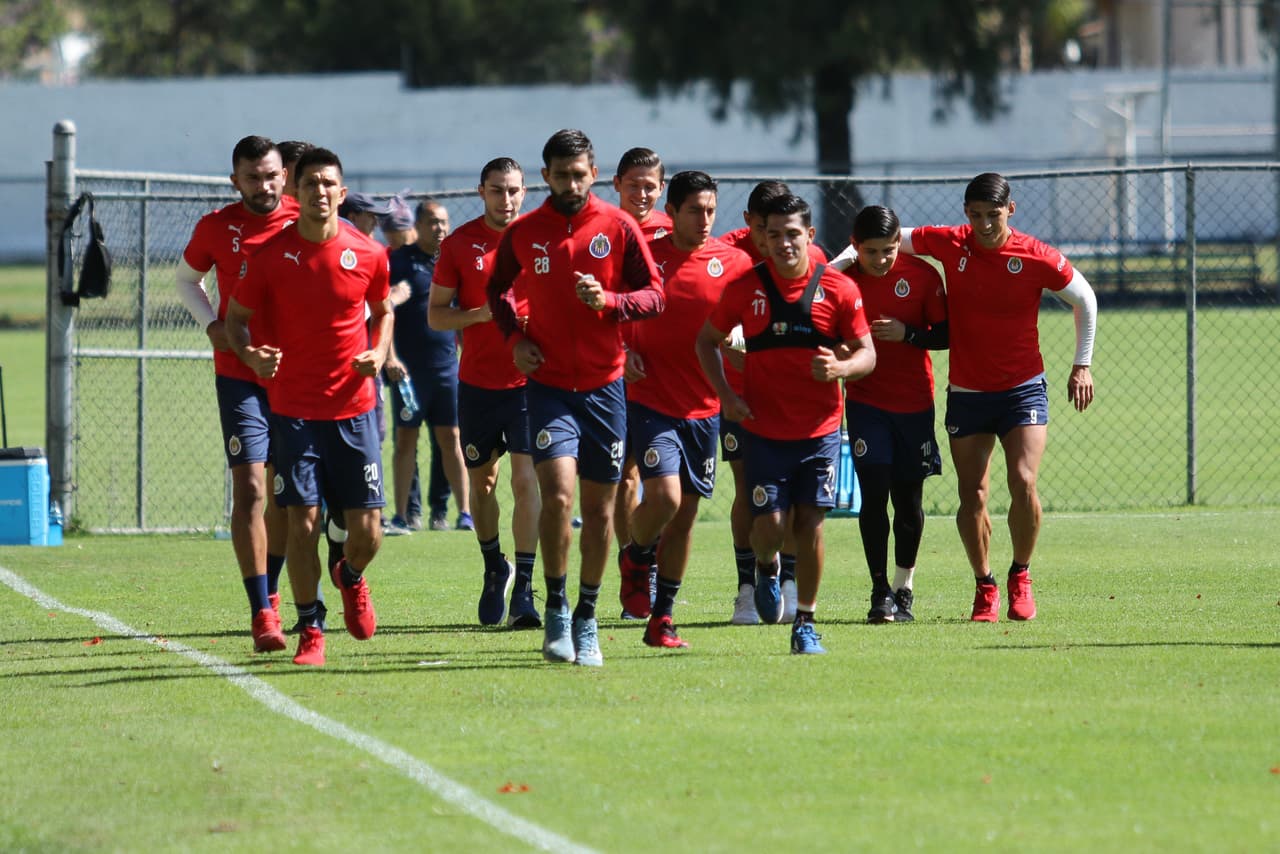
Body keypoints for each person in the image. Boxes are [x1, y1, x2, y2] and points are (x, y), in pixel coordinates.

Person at [486, 128, 664, 666]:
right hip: (548, 390)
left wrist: (609, 301)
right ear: (545, 175)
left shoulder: (618, 226)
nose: (570, 184)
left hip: (606, 391)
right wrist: (515, 340)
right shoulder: (525, 232)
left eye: (579, 175)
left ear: (594, 173)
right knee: (558, 498)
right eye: (560, 175)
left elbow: (655, 296)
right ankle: (557, 608)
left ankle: (587, 615)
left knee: (600, 509)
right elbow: (497, 290)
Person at [902, 172, 1096, 622]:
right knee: (972, 494)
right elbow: (890, 238)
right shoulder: (951, 242)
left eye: (993, 215)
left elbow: (1085, 299)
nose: (985, 225)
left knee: (1024, 481)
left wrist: (1081, 364)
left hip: (1022, 389)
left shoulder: (1034, 254)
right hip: (968, 392)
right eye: (975, 215)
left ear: (1011, 209)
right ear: (965, 213)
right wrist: (832, 267)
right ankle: (984, 585)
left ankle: (1020, 575)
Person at [226, 146, 392, 667]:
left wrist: (379, 352)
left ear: (341, 193)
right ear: (296, 193)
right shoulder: (270, 255)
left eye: (328, 183)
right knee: (302, 523)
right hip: (294, 411)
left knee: (369, 534)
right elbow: (236, 319)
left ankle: (350, 575)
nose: (319, 191)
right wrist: (250, 354)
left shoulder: (369, 253)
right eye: (310, 183)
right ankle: (311, 629)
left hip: (355, 410)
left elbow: (384, 311)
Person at [696, 193, 875, 654]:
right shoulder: (745, 287)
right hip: (763, 431)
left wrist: (841, 368)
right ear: (763, 237)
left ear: (810, 235)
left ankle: (806, 623)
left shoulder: (838, 289)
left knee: (811, 523)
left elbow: (867, 353)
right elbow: (707, 341)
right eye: (773, 234)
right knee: (771, 526)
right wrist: (727, 395)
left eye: (792, 234)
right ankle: (766, 567)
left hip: (819, 431)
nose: (783, 243)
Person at [617, 170, 753, 648]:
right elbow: (611, 312)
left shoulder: (733, 263)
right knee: (666, 498)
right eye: (694, 210)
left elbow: (747, 322)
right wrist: (622, 352)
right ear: (671, 212)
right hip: (651, 399)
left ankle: (663, 618)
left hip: (705, 407)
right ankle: (635, 555)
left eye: (711, 210)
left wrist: (743, 344)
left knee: (685, 517)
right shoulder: (643, 257)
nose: (704, 219)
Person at [175, 134, 297, 653]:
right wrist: (212, 324)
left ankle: (275, 589)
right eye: (253, 177)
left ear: (284, 175)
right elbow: (186, 281)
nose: (264, 186)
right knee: (249, 488)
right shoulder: (216, 227)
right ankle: (261, 611)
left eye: (271, 176)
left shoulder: (306, 220)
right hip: (239, 375)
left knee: (288, 495)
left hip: (297, 377)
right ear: (235, 181)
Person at [429, 157, 541, 628]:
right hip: (477, 386)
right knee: (484, 485)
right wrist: (478, 315)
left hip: (531, 385)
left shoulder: (542, 238)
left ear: (524, 191)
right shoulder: (459, 244)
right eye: (497, 190)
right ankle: (496, 566)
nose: (506, 199)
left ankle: (526, 590)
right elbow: (436, 315)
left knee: (526, 481)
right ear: (481, 192)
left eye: (513, 190)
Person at [719, 180, 829, 624]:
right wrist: (730, 345)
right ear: (749, 223)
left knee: (802, 505)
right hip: (743, 396)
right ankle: (747, 587)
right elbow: (712, 322)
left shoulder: (812, 258)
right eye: (764, 229)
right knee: (749, 492)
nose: (774, 240)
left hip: (800, 401)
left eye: (783, 230)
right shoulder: (729, 256)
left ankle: (789, 581)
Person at [840, 205, 948, 623]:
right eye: (871, 252)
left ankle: (904, 589)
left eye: (888, 250)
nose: (881, 259)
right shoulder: (843, 281)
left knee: (908, 501)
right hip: (865, 402)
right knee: (873, 495)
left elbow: (947, 334)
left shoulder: (923, 275)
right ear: (855, 246)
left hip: (914, 404)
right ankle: (879, 590)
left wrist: (909, 334)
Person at [385, 199, 472, 536]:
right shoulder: (399, 262)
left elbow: (462, 312)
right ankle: (401, 515)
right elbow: (384, 312)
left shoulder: (452, 260)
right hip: (409, 373)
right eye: (433, 222)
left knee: (452, 438)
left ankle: (465, 513)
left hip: (446, 369)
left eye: (444, 223)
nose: (440, 229)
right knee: (405, 439)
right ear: (418, 226)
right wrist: (390, 357)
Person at [610, 146, 671, 615]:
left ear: (662, 188)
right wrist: (620, 351)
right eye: (634, 184)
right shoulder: (604, 231)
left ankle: (646, 560)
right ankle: (631, 566)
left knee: (667, 485)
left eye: (650, 185)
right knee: (623, 476)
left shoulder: (674, 231)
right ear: (616, 184)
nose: (642, 193)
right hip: (614, 374)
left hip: (666, 376)